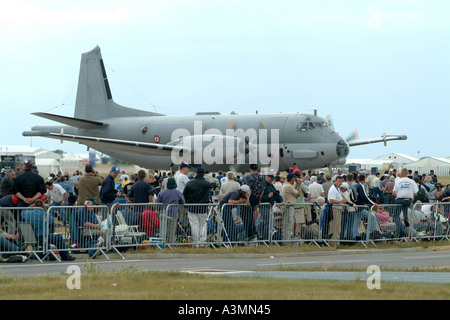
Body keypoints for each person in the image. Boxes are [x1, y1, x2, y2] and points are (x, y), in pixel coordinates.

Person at [182, 168, 212, 244]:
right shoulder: (207, 184)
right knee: (203, 225)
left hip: (192, 207)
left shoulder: (189, 183)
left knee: (194, 225)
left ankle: (196, 242)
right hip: (202, 208)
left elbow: (184, 195)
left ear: (195, 174)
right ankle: (203, 241)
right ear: (204, 174)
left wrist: (185, 205)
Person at [156, 178, 185, 244]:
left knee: (162, 231)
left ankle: (162, 245)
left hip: (163, 214)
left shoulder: (162, 192)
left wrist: (160, 210)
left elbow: (157, 204)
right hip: (173, 215)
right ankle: (170, 244)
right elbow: (183, 202)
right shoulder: (178, 193)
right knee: (171, 232)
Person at [241, 164, 266, 241]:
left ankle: (250, 234)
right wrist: (259, 199)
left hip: (250, 198)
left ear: (250, 169)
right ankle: (254, 231)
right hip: (257, 197)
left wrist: (247, 200)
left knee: (245, 216)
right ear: (257, 168)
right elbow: (263, 190)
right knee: (250, 215)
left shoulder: (248, 177)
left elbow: (248, 190)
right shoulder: (262, 177)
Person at [393, 168, 418, 237]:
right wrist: (410, 196)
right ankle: (406, 218)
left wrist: (398, 195)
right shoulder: (412, 181)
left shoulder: (398, 181)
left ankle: (401, 231)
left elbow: (394, 193)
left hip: (400, 199)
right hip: (408, 200)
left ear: (401, 173)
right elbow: (416, 193)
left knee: (396, 215)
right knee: (405, 207)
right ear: (407, 174)